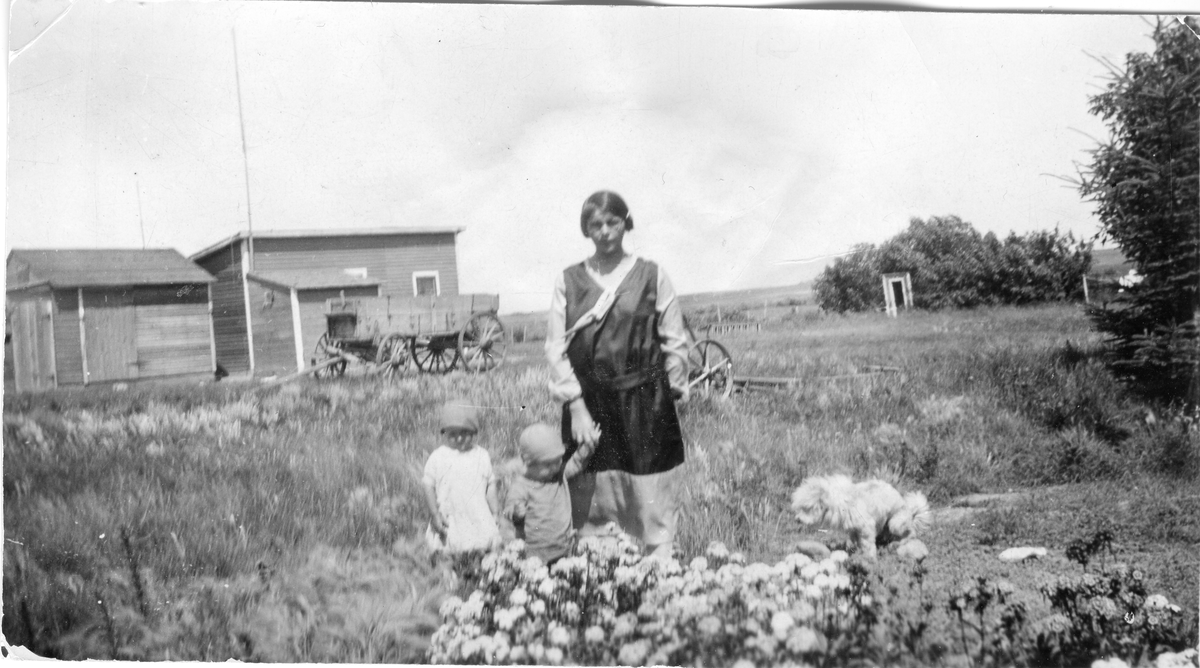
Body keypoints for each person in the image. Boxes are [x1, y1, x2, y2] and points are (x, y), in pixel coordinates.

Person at [545, 190, 690, 558]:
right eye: (596, 224)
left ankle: (658, 570)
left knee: (650, 495)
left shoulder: (652, 275)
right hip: (588, 409)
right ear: (586, 230)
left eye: (613, 222)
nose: (606, 231)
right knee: (588, 497)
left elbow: (674, 342)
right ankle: (598, 574)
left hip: (645, 402)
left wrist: (671, 397)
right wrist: (575, 406)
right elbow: (555, 348)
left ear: (626, 223)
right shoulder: (569, 281)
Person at [504, 423, 596, 564]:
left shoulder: (558, 476)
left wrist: (588, 446)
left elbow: (576, 463)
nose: (555, 467)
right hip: (536, 554)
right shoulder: (521, 486)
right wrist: (516, 511)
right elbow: (509, 509)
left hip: (565, 548)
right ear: (526, 461)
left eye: (558, 461)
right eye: (547, 465)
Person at [421, 398, 501, 553]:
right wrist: (434, 513)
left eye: (465, 433)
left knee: (483, 548)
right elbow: (427, 485)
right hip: (451, 515)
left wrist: (495, 511)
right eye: (453, 434)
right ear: (444, 433)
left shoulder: (481, 455)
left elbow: (490, 485)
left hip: (477, 513)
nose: (459, 438)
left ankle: (479, 569)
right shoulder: (438, 457)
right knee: (448, 551)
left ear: (474, 432)